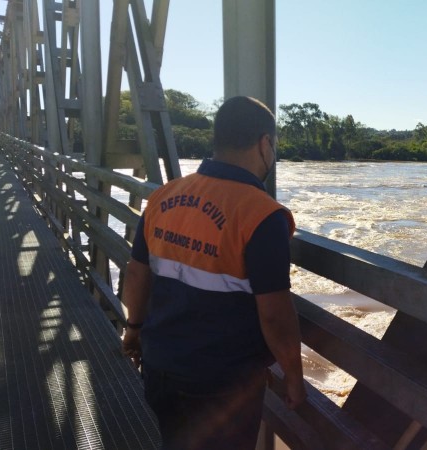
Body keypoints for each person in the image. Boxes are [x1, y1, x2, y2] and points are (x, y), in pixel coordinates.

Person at [121, 96, 306, 449]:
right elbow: (274, 314)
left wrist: (133, 330)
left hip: (159, 364)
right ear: (264, 144)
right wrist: (294, 376)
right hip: (222, 383)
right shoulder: (262, 216)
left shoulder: (163, 196)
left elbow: (136, 275)